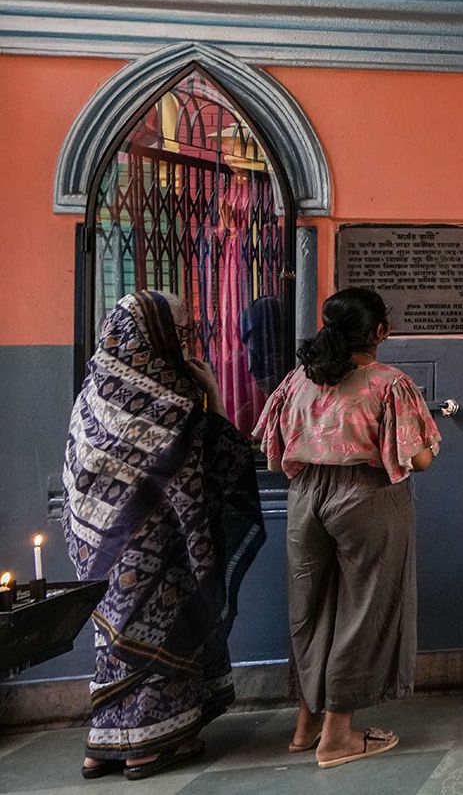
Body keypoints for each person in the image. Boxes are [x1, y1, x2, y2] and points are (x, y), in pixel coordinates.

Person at [63, 291, 266, 780]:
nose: (186, 340)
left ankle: (101, 748)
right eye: (180, 331)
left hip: (98, 552)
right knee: (161, 639)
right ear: (154, 335)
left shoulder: (93, 391)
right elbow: (221, 457)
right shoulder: (170, 398)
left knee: (114, 644)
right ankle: (145, 749)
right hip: (161, 548)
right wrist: (212, 393)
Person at [254, 287, 440, 770]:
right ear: (380, 331)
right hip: (366, 496)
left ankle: (306, 725)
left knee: (310, 607)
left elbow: (272, 450)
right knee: (364, 608)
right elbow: (419, 459)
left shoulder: (299, 379)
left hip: (305, 496)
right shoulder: (390, 384)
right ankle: (337, 736)